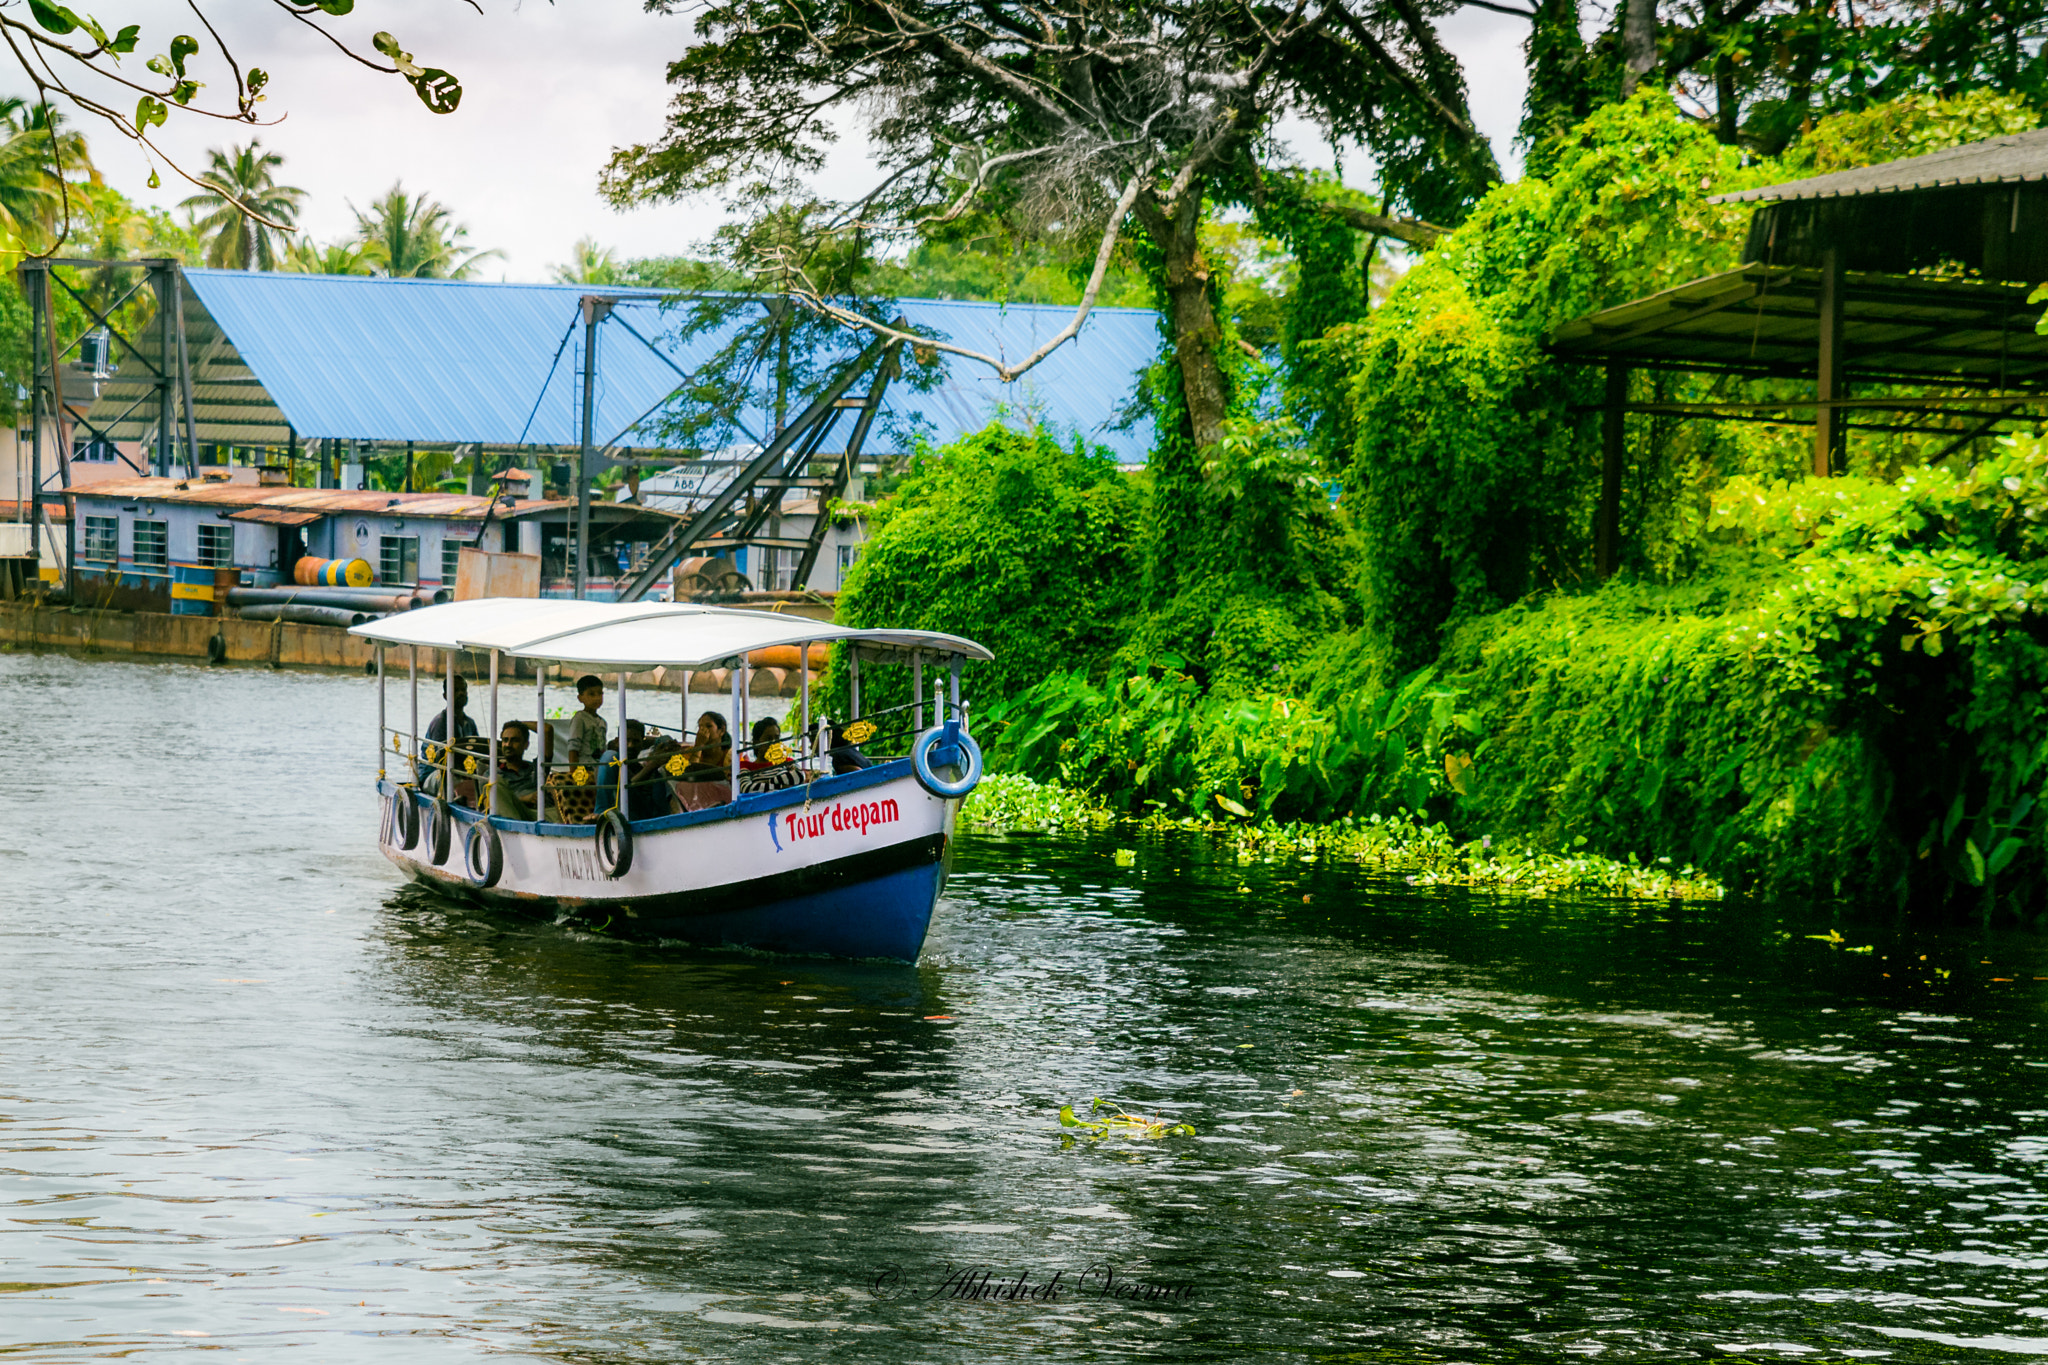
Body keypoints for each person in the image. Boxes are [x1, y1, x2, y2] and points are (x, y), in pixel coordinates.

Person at [417, 675, 479, 784]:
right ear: (445, 696)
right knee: (450, 776)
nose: (461, 693)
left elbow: (477, 750)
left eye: (463, 689)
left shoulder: (469, 723)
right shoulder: (440, 723)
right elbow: (440, 759)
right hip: (433, 774)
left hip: (460, 772)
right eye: (455, 690)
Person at [739, 716, 804, 793]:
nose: (773, 742)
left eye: (776, 738)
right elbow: (746, 788)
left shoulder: (786, 761)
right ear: (756, 742)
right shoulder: (746, 767)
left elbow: (800, 776)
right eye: (768, 738)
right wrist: (781, 786)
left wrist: (767, 782)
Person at [489, 720, 539, 820]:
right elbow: (488, 802)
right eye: (505, 740)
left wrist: (518, 724)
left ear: (526, 745)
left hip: (539, 814)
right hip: (513, 816)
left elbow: (547, 730)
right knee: (494, 782)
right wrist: (525, 799)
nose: (508, 744)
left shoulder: (536, 769)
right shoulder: (493, 773)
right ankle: (517, 833)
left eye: (514, 740)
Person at [566, 674, 608, 768]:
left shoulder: (602, 722)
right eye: (591, 694)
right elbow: (573, 747)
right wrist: (574, 773)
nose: (597, 698)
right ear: (580, 698)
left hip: (599, 767)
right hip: (584, 767)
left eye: (600, 694)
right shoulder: (580, 718)